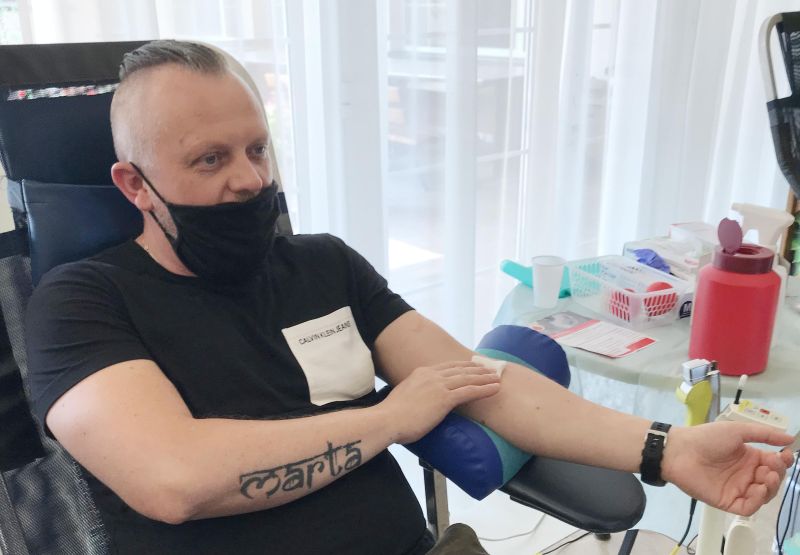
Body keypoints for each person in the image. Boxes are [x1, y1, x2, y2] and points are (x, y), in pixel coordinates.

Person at [24, 40, 795, 555]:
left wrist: (669, 447)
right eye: (210, 159)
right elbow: (174, 479)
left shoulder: (323, 265)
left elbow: (482, 384)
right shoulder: (81, 303)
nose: (251, 179)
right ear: (135, 184)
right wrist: (390, 418)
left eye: (258, 148)